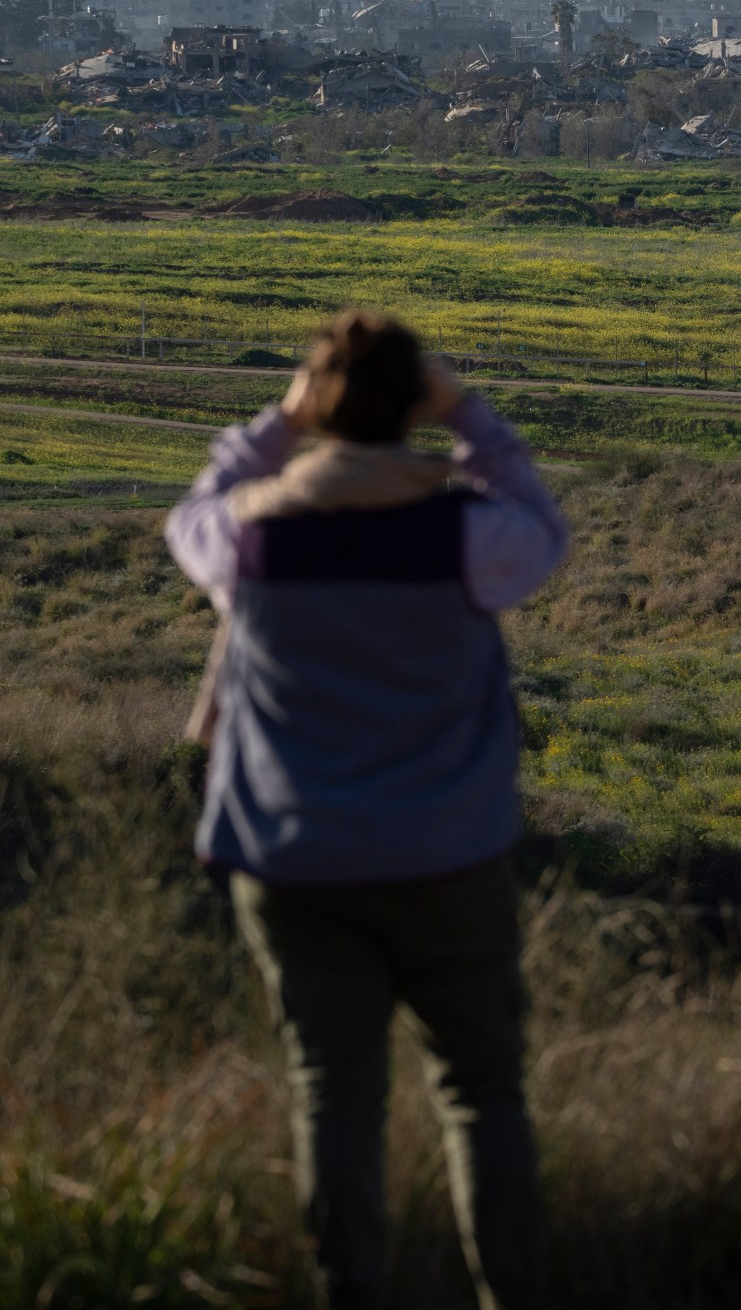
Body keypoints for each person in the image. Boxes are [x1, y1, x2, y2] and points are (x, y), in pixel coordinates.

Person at [165, 310, 570, 1310]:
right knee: (480, 1092)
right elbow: (540, 525)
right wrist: (468, 412)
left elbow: (195, 512)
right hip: (447, 855)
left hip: (292, 860)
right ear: (414, 407)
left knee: (332, 1093)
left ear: (320, 404)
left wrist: (277, 422)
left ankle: (351, 1290)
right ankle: (510, 1291)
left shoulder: (252, 542)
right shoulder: (466, 538)